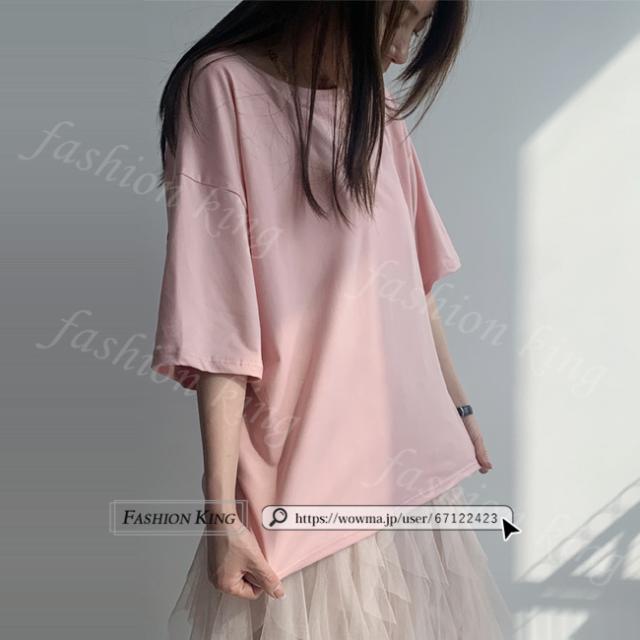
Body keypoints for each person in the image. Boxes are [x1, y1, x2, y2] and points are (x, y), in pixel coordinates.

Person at [150, 1, 513, 638]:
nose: (400, 51)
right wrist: (221, 514)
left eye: (418, 30)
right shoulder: (222, 87)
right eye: (399, 19)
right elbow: (218, 324)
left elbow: (412, 282)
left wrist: (460, 408)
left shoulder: (380, 112)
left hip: (413, 473)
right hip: (306, 488)